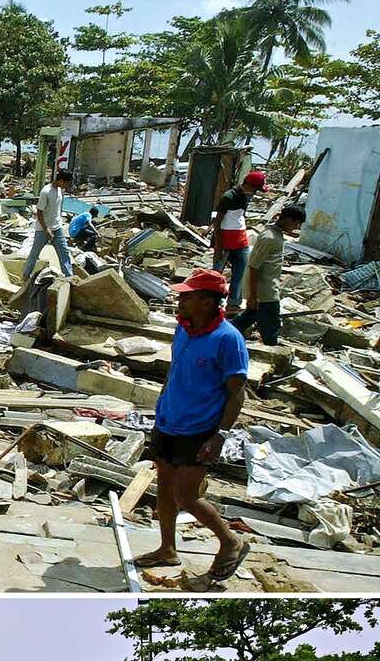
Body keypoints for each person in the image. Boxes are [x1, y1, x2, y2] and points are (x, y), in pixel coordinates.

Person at [135, 268, 251, 582]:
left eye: (188, 296)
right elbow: (175, 371)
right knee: (164, 488)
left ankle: (231, 541)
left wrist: (220, 435)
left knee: (187, 495)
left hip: (199, 429)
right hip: (169, 420)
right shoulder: (183, 329)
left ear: (208, 302)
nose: (180, 300)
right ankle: (167, 549)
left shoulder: (228, 340)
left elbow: (236, 393)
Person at [234, 205, 305, 345]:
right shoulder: (269, 237)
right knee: (271, 328)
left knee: (245, 320)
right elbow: (254, 267)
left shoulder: (275, 234)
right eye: (296, 224)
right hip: (266, 293)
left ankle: (219, 336)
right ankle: (272, 352)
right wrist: (253, 296)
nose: (296, 227)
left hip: (266, 290)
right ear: (288, 219)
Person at [211, 170, 267, 313]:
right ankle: (214, 302)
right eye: (255, 188)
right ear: (248, 184)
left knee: (240, 273)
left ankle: (233, 304)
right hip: (224, 239)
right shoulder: (228, 197)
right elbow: (217, 223)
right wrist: (218, 247)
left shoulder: (246, 196)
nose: (255, 192)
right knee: (217, 274)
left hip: (240, 239)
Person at [21, 170, 74, 279]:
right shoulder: (46, 191)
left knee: (64, 253)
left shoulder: (60, 190)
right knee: (34, 254)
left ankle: (69, 277)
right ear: (61, 180)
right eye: (66, 183)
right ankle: (25, 276)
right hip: (43, 229)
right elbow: (39, 212)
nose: (67, 186)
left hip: (57, 228)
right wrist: (46, 229)